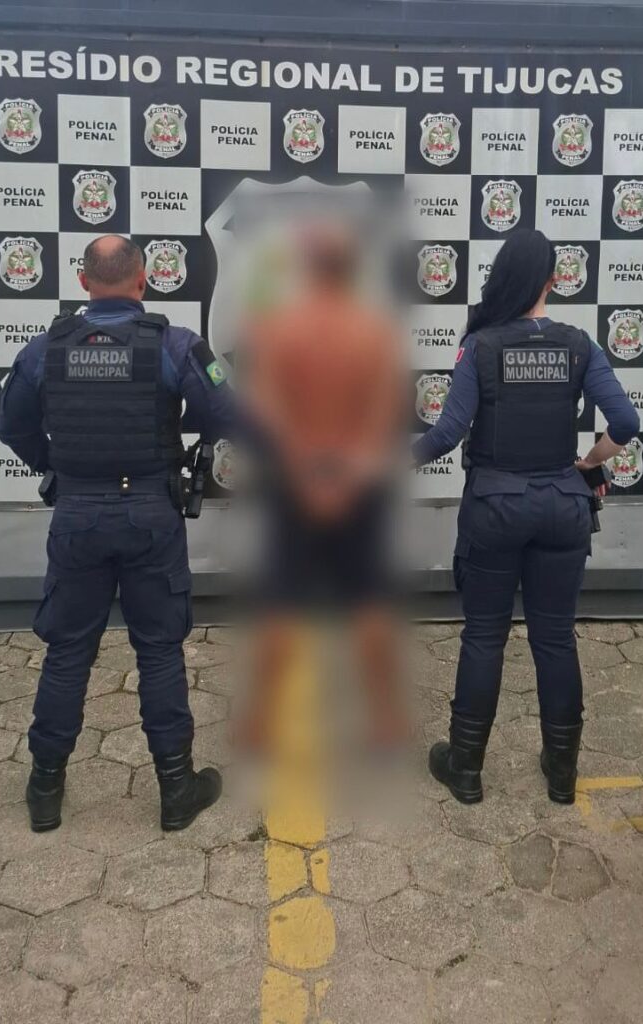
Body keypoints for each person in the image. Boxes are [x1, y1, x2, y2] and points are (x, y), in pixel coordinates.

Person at [0, 235, 236, 833]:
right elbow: (227, 415)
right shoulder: (173, 345)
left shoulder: (45, 349)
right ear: (143, 280)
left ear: (83, 282)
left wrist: (55, 469)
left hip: (76, 515)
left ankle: (44, 791)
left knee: (67, 652)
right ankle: (176, 790)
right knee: (158, 651)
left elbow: (13, 429)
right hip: (150, 515)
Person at [413, 229, 639, 806]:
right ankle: (562, 776)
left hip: (495, 510)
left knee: (484, 636)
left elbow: (446, 434)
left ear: (503, 279)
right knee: (555, 638)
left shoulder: (480, 345)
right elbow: (625, 422)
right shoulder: (579, 345)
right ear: (553, 282)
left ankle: (466, 770)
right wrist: (590, 462)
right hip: (563, 508)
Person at [238, 223, 410, 750]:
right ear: (352, 268)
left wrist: (305, 477)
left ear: (309, 267)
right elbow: (383, 414)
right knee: (369, 601)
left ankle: (260, 723)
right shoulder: (374, 331)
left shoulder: (279, 328)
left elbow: (268, 410)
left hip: (296, 481)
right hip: (358, 483)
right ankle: (385, 721)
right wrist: (348, 478)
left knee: (282, 602)